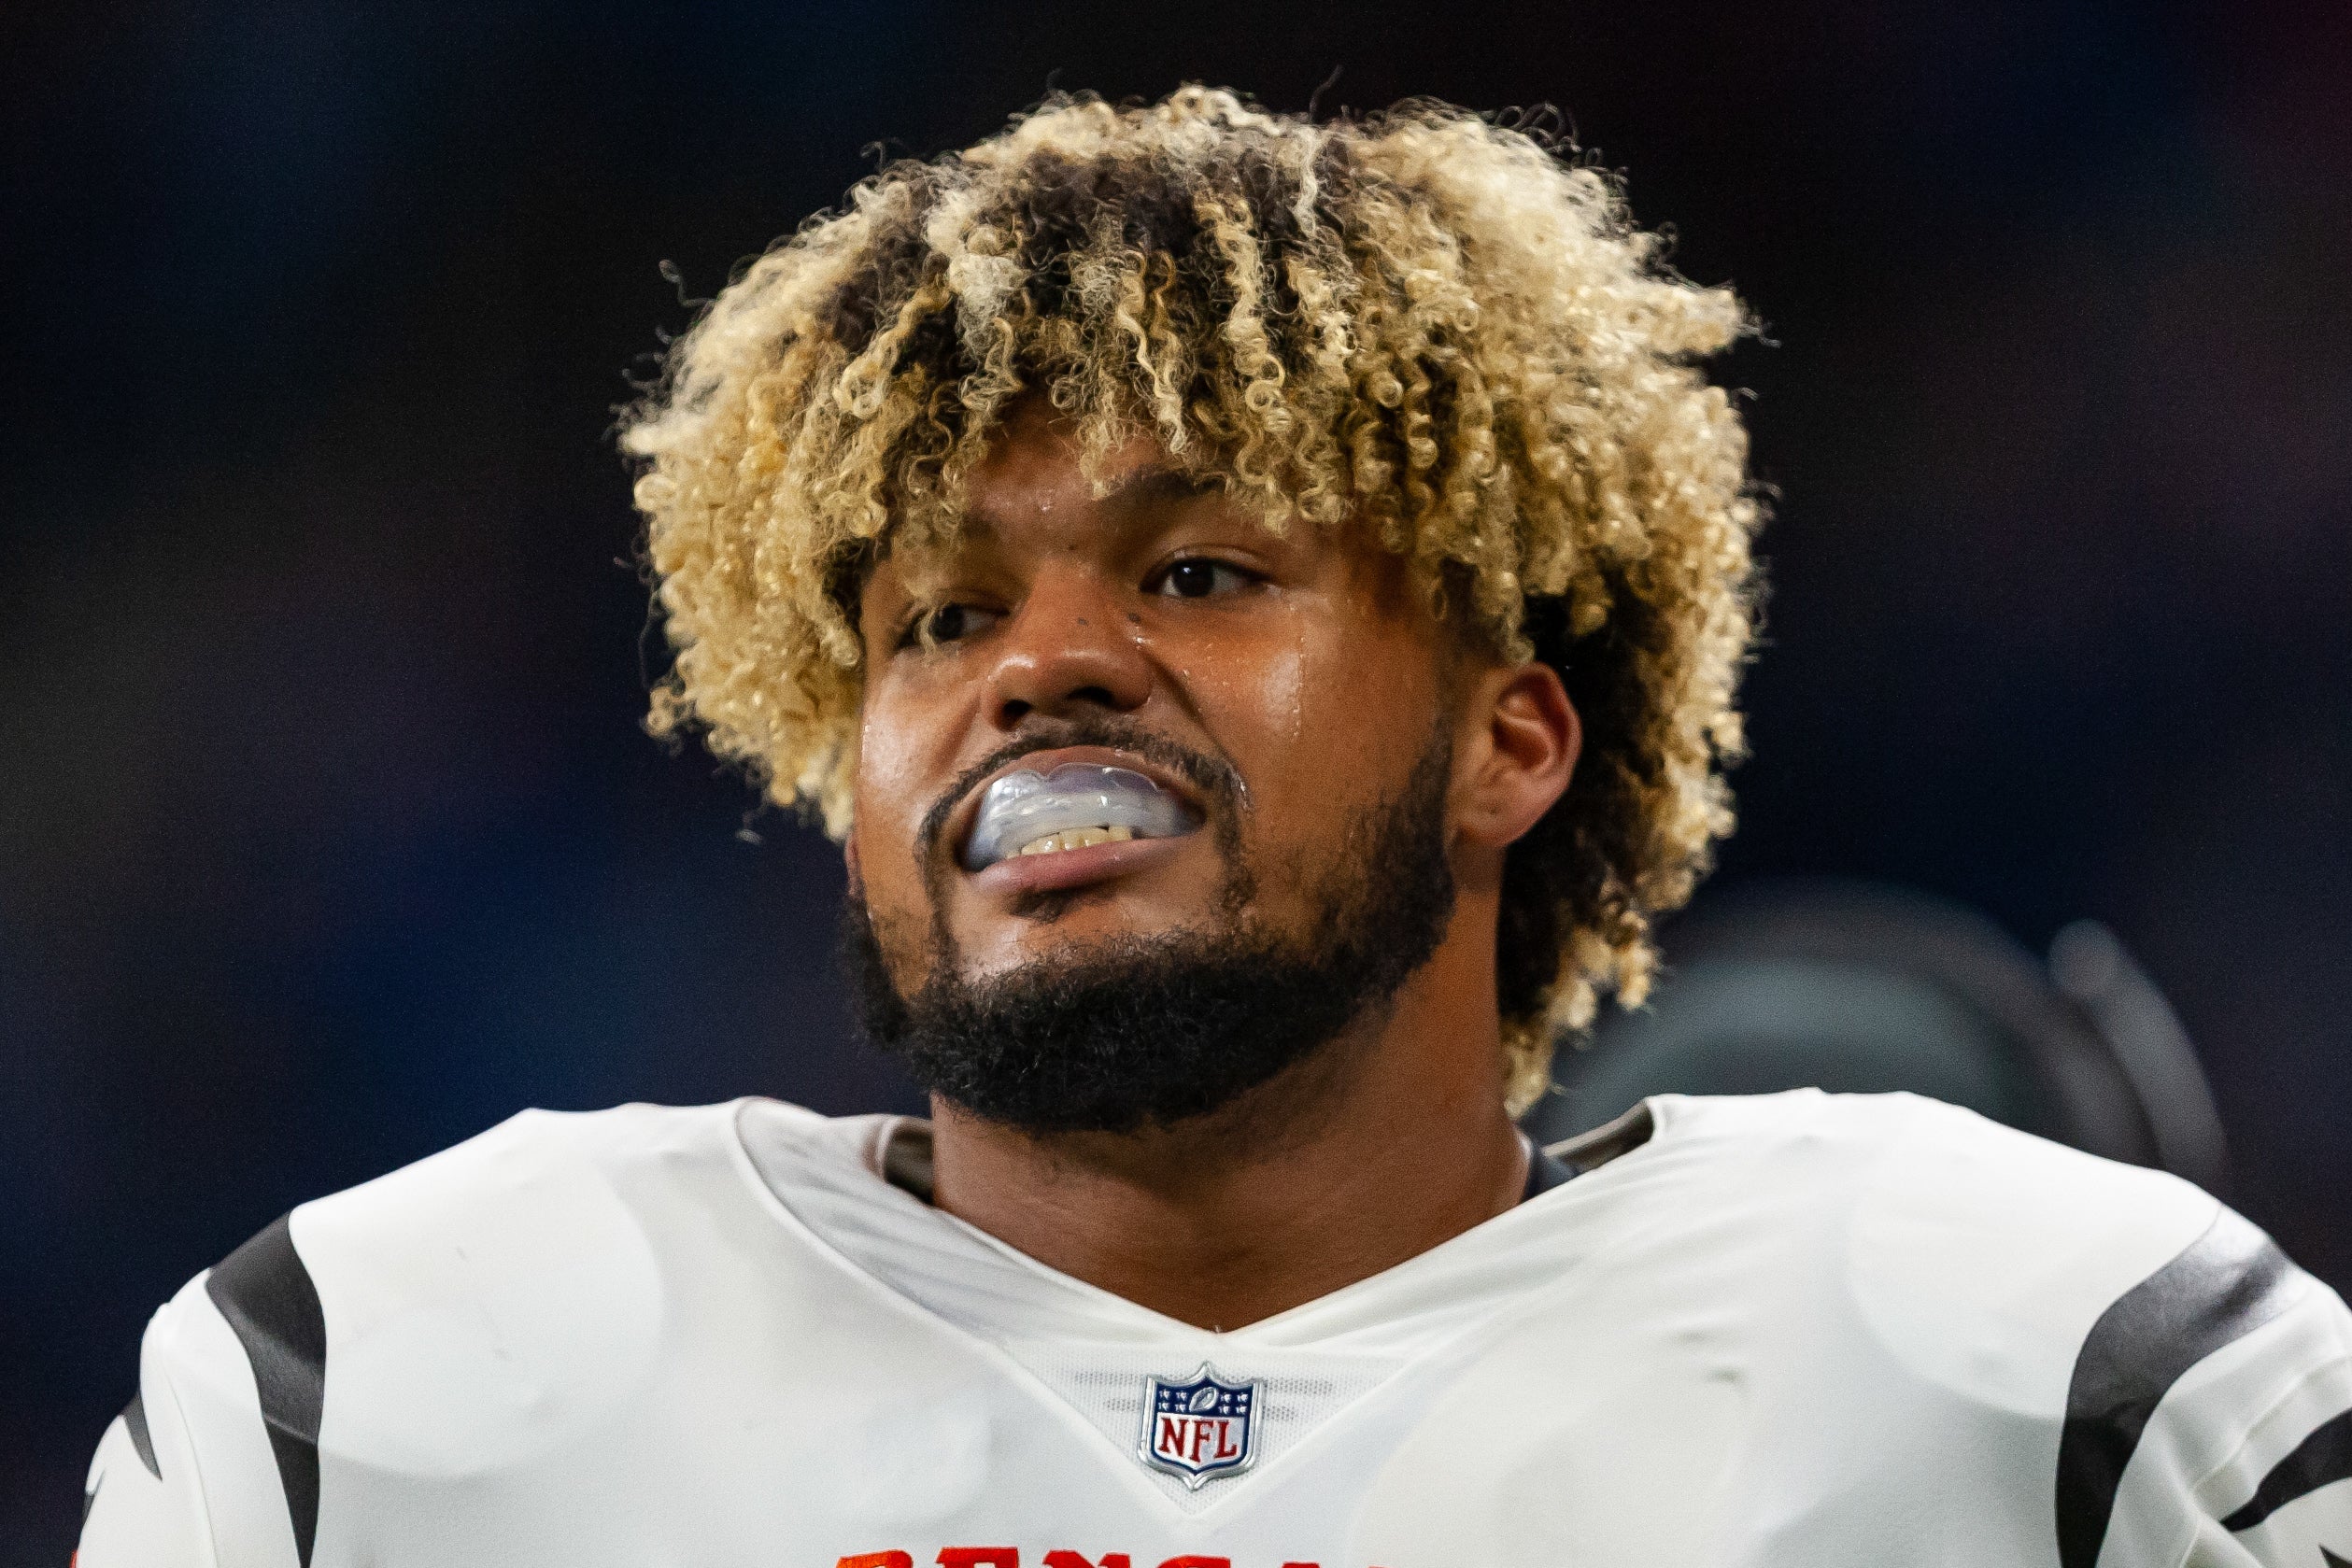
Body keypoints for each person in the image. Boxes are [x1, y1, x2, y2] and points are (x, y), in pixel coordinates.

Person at [78, 88, 2350, 1568]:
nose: (1034, 663)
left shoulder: (2039, 1361)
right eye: (937, 613)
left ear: (1511, 742)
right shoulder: (377, 1382)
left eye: (1194, 573)